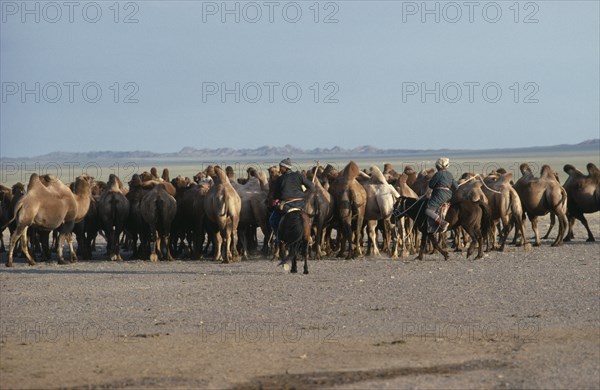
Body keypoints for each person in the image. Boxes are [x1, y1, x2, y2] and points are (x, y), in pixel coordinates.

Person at [269, 158, 314, 244]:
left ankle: (279, 238)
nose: (279, 169)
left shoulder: (280, 179)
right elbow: (311, 187)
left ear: (284, 167)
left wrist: (279, 199)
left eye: (280, 167)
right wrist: (303, 195)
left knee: (272, 220)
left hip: (287, 205)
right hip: (301, 204)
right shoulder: (298, 175)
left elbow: (275, 195)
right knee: (309, 218)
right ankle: (309, 237)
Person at [424, 157, 458, 233]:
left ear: (438, 166)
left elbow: (431, 185)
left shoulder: (438, 174)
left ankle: (442, 223)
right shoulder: (449, 174)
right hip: (449, 195)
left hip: (439, 195)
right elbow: (456, 187)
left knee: (428, 210)